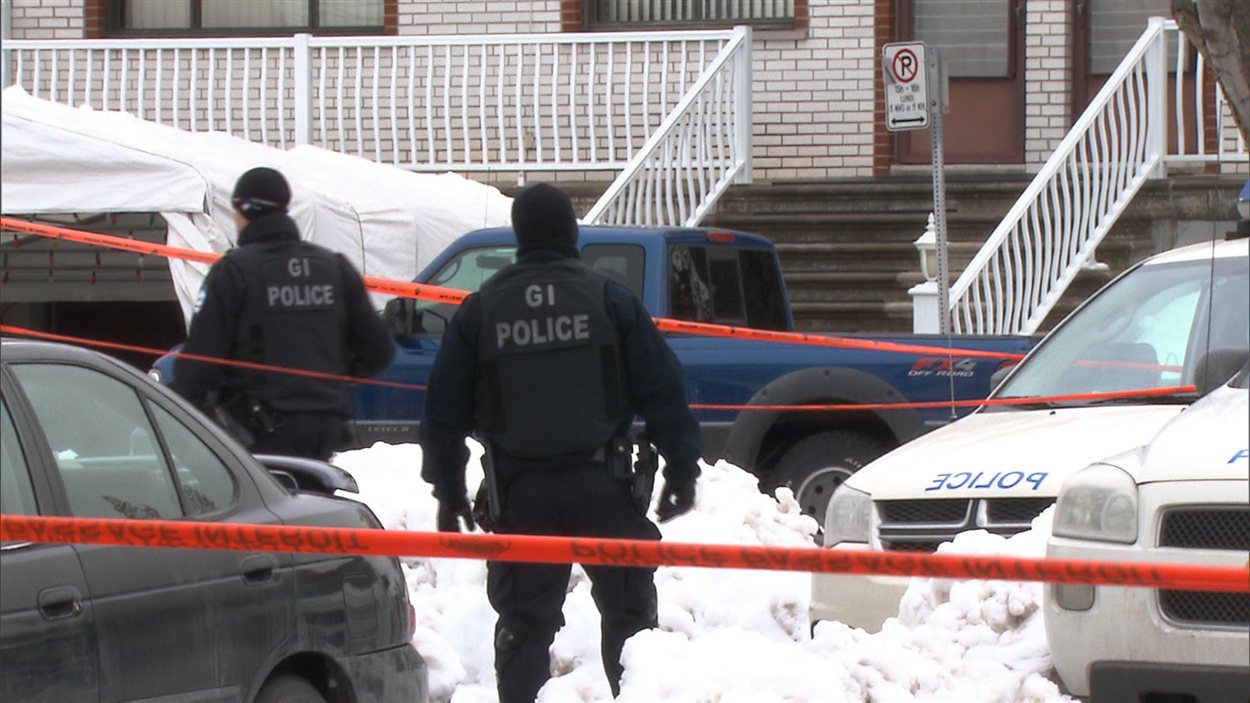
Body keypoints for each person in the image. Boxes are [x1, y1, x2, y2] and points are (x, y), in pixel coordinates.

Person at [420, 182, 703, 702]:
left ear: (518, 236)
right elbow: (663, 388)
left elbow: (443, 413)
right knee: (631, 619)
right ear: (571, 233)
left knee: (524, 627)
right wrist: (683, 467)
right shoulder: (609, 297)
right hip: (606, 490)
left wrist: (449, 492)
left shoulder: (481, 311)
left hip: (521, 493)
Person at [171, 166, 394, 460]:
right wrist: (334, 374)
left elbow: (199, 363)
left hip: (257, 431)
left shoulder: (234, 272)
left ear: (243, 211)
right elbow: (379, 350)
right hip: (326, 427)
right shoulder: (334, 266)